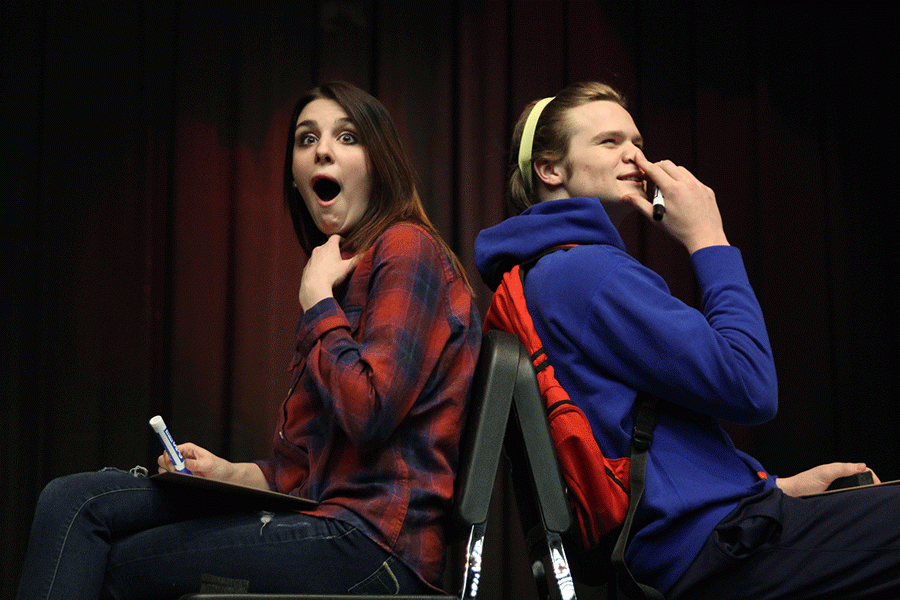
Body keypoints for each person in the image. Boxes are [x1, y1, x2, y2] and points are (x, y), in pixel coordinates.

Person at [16, 81, 481, 599]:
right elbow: (306, 470)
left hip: (374, 546)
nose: (322, 149)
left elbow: (370, 413)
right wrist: (229, 472)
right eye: (307, 140)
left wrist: (317, 304)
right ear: (297, 181)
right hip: (323, 519)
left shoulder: (406, 248)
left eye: (347, 137)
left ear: (381, 165)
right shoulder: (342, 275)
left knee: (120, 566)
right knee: (73, 501)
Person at [474, 81, 900, 599]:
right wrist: (708, 236)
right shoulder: (585, 272)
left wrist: (772, 488)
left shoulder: (545, 272)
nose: (635, 155)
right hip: (713, 551)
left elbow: (631, 430)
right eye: (609, 142)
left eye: (637, 142)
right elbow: (750, 387)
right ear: (550, 169)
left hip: (696, 539)